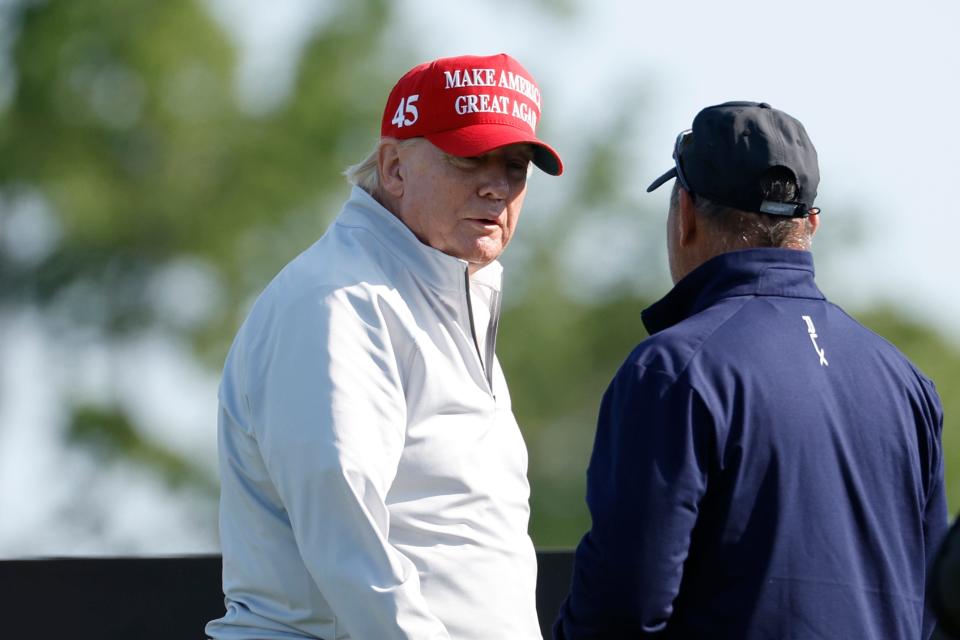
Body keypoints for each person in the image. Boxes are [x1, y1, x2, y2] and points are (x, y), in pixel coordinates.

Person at [554, 101, 947, 639]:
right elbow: (931, 601)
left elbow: (622, 609)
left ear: (685, 212)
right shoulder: (907, 383)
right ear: (811, 224)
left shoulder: (674, 370)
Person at [205, 53, 563, 640]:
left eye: (516, 166)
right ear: (394, 167)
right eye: (470, 156)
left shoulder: (438, 292)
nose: (497, 185)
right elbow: (351, 547)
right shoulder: (339, 300)